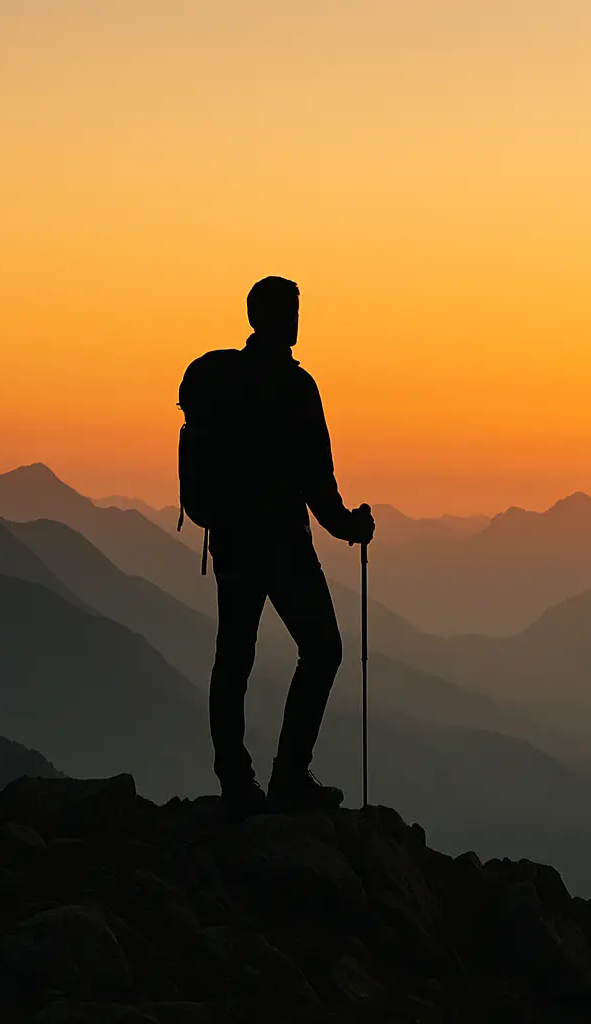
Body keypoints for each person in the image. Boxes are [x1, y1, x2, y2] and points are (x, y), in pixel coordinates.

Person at [195, 276, 375, 816]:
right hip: (280, 543)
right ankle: (288, 777)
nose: (298, 319)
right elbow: (317, 481)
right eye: (292, 309)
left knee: (234, 659)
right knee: (323, 649)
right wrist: (350, 527)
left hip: (231, 541)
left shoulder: (225, 381)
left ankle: (237, 782)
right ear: (275, 317)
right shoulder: (295, 388)